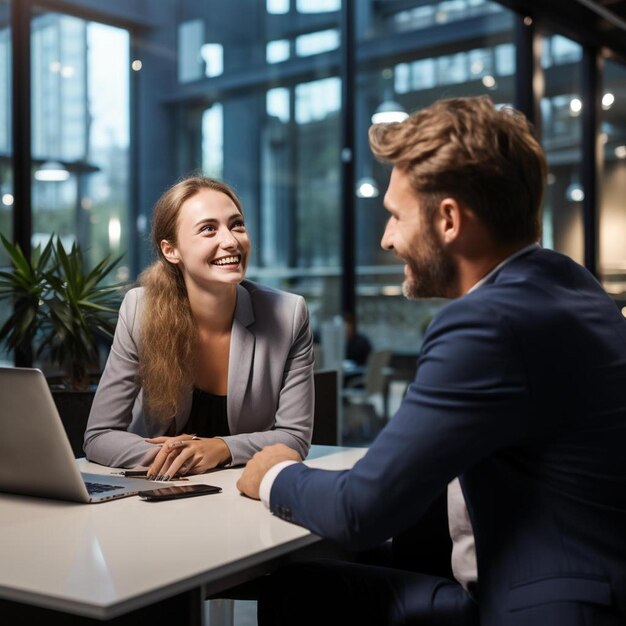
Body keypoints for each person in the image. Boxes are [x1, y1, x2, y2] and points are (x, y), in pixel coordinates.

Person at [237, 96, 626, 626]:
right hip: (595, 584)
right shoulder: (569, 283)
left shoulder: (486, 323)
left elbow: (361, 510)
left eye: (397, 216)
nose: (387, 238)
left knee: (297, 588)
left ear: (448, 220)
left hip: (540, 608)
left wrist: (274, 475)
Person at [84, 175, 314, 479]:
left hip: (241, 494)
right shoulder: (140, 309)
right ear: (171, 250)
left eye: (237, 225)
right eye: (208, 229)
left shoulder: (288, 314)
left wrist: (221, 448)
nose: (230, 241)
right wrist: (179, 456)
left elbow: (295, 438)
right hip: (156, 491)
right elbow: (99, 435)